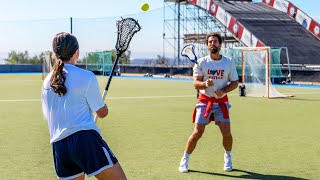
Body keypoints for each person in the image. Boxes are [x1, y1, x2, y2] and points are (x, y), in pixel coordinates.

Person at [41, 32, 126, 180]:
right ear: (77, 52)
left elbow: (49, 116)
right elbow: (101, 113)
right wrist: (104, 106)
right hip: (85, 140)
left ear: (55, 53)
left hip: (59, 146)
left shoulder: (46, 82)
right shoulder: (86, 76)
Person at [178, 32, 239, 173]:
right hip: (204, 101)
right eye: (210, 42)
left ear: (220, 44)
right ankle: (185, 159)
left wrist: (223, 91)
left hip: (221, 102)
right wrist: (205, 84)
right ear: (207, 45)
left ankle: (228, 156)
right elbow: (196, 83)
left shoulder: (228, 62)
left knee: (227, 133)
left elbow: (235, 83)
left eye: (215, 42)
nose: (213, 44)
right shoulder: (201, 63)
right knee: (197, 132)